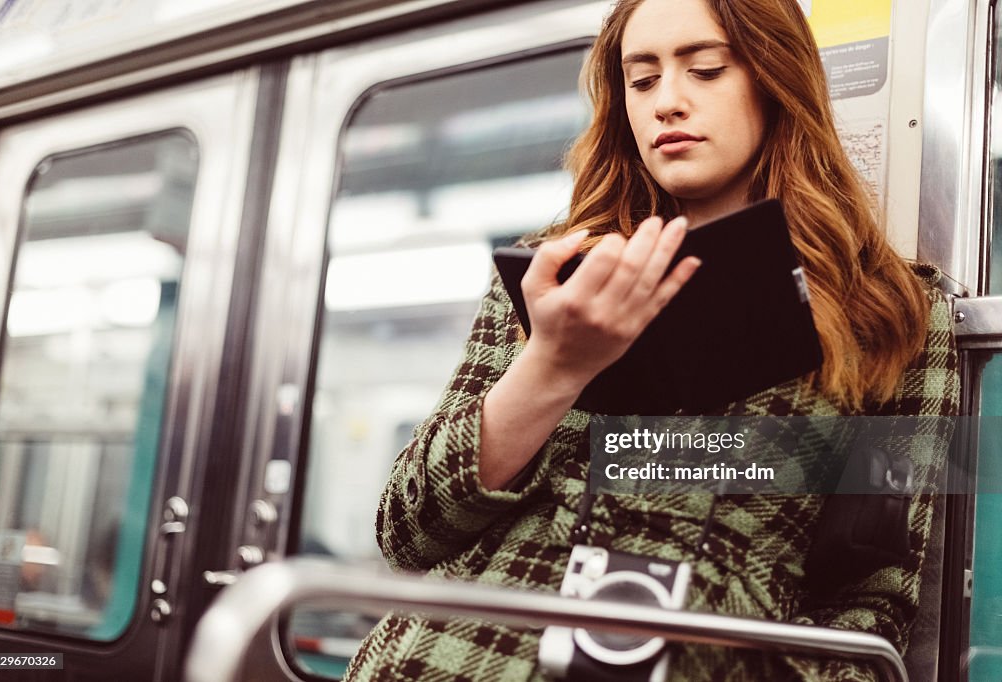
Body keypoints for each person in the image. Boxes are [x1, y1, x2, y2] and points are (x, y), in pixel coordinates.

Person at [346, 0, 959, 679]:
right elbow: (408, 534)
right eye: (642, 81)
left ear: (774, 80)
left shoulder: (886, 304)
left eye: (704, 70)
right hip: (457, 659)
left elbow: (872, 603)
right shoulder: (557, 273)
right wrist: (549, 368)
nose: (668, 101)